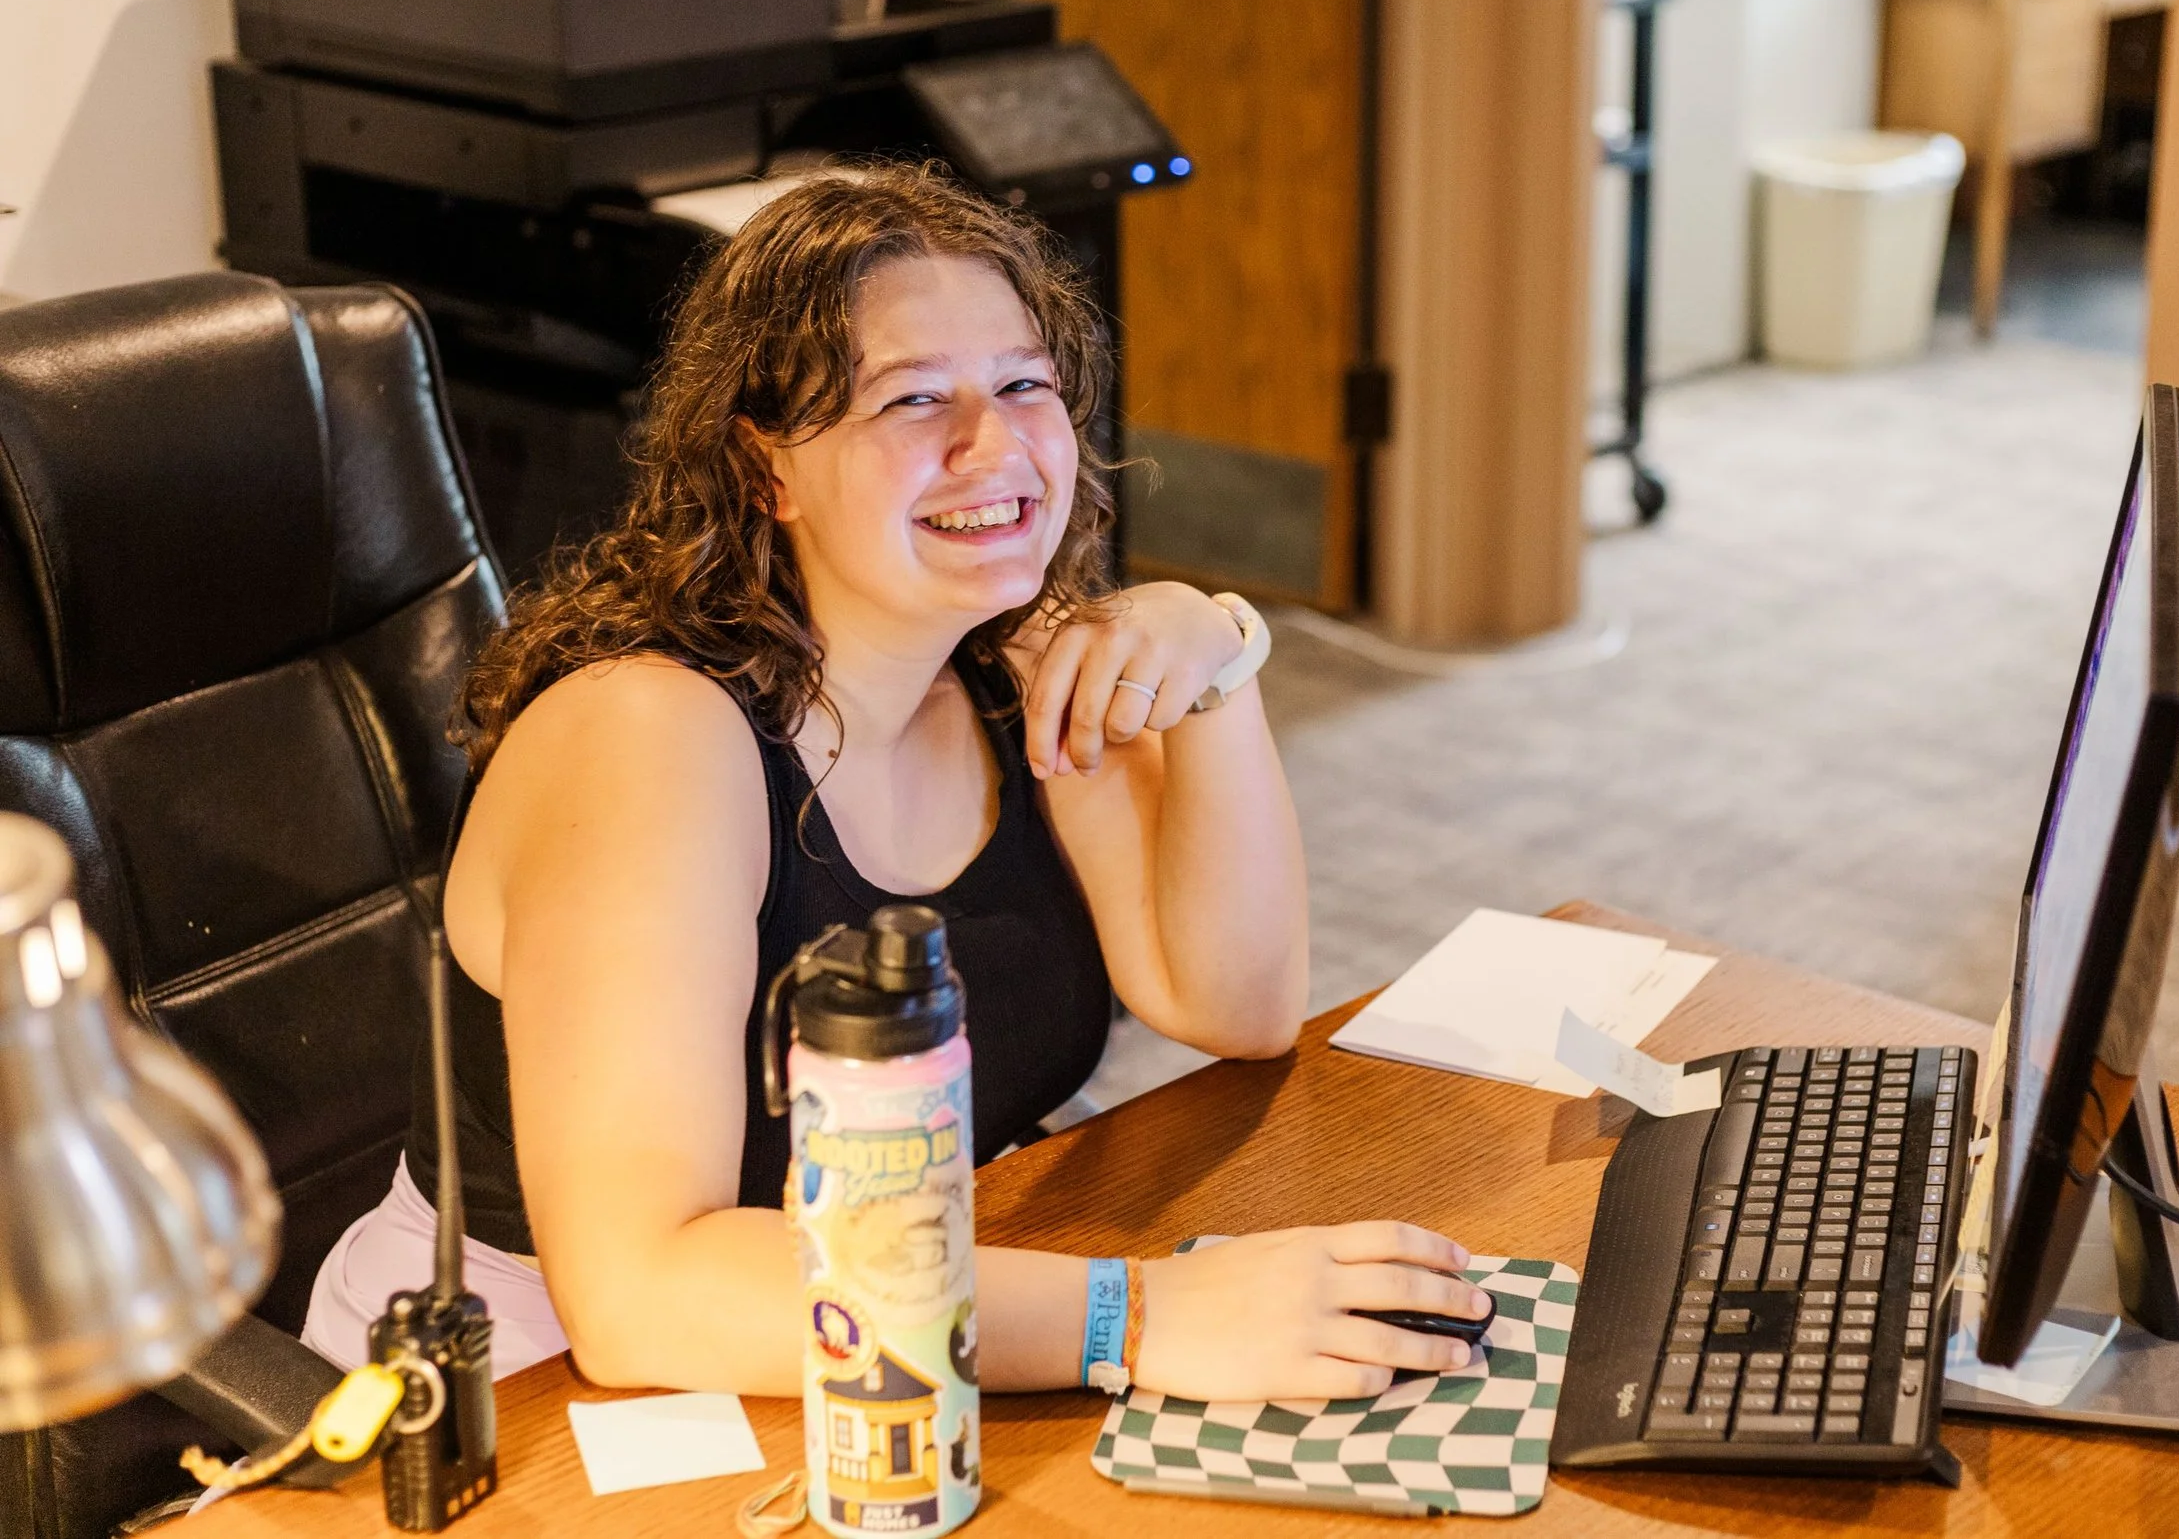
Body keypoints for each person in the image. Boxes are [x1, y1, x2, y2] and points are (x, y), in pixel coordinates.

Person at [301, 162, 1488, 1401]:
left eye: (1024, 384)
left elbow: (1234, 1004)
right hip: (543, 1384)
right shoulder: (646, 739)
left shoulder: (1014, 665)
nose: (995, 444)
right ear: (765, 468)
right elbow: (641, 1294)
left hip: (893, 1310)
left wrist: (1216, 660)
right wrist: (1138, 1315)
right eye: (913, 399)